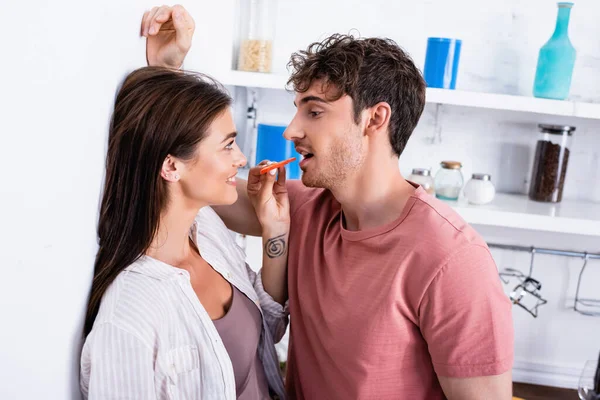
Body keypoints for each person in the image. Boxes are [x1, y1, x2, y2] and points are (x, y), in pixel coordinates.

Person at [147, 5, 514, 400]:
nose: (292, 130)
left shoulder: (452, 260)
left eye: (315, 112)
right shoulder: (306, 209)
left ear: (375, 120)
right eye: (298, 110)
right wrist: (168, 71)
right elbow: (198, 178)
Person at [80, 7, 289, 399]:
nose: (242, 159)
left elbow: (269, 332)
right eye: (228, 145)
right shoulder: (131, 316)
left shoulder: (207, 230)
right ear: (171, 166)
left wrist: (274, 231)